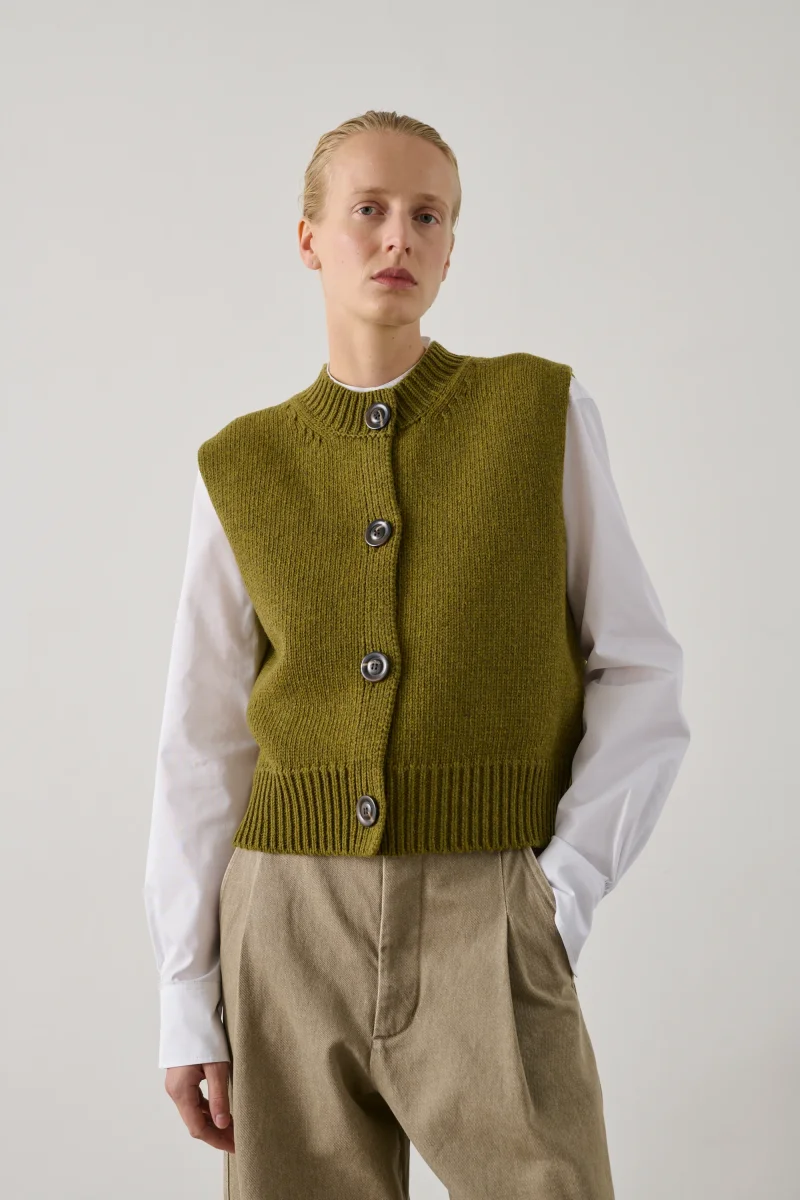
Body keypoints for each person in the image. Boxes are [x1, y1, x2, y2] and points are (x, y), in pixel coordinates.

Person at [143, 109, 691, 1199]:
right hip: (284, 924)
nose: (399, 236)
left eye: (427, 216)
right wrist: (185, 995)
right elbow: (201, 742)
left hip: (487, 908)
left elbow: (637, 669)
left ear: (450, 249)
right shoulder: (241, 464)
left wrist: (558, 895)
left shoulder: (535, 411)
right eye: (369, 209)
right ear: (310, 239)